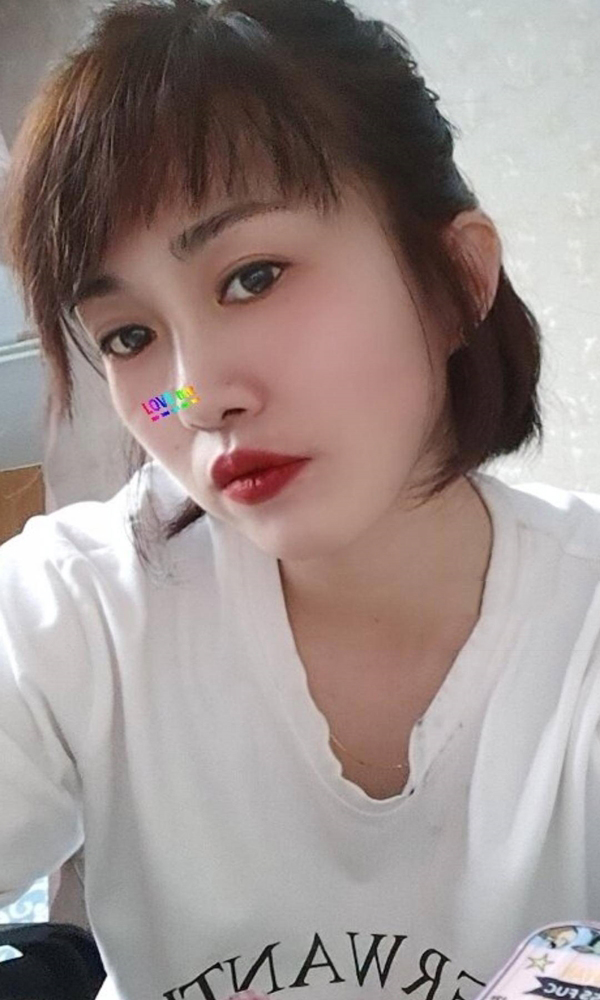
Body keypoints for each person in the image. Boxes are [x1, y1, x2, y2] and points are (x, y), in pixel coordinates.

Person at [1, 0, 599, 998]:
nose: (197, 394)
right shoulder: (80, 610)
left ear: (455, 278)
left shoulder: (582, 636)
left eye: (253, 276)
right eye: (128, 336)